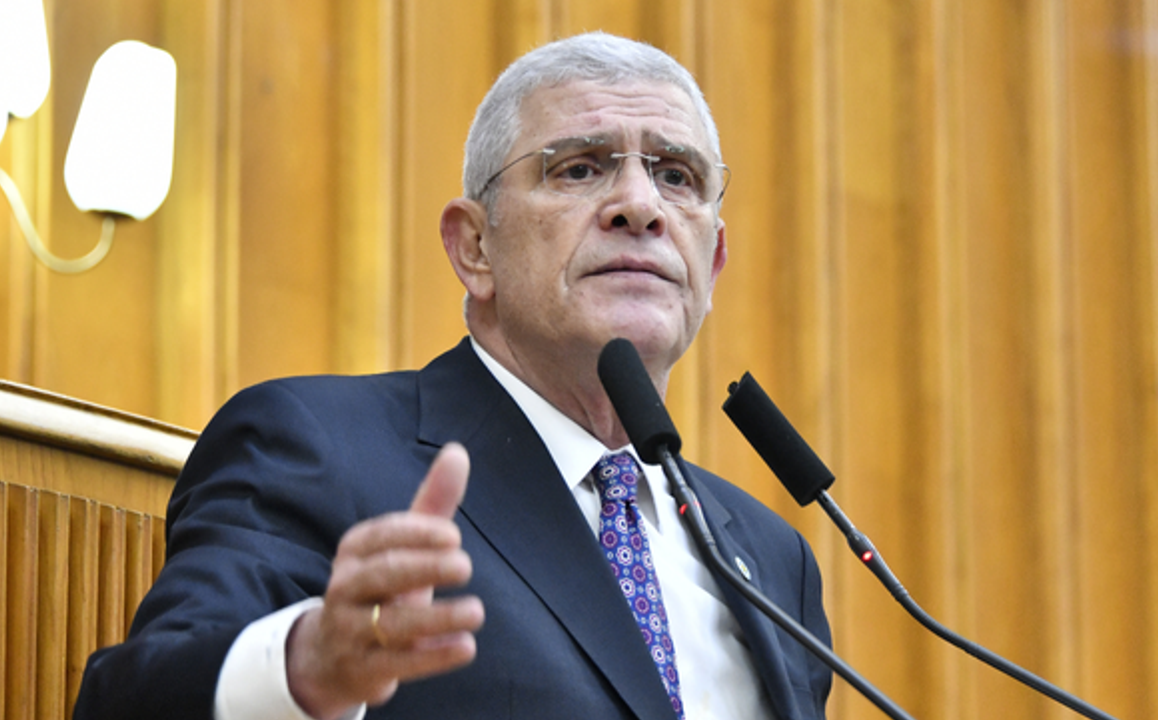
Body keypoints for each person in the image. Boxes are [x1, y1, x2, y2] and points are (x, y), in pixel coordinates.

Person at [73, 31, 832, 720]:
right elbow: (128, 704)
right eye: (579, 168)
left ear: (713, 262)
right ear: (474, 247)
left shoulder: (774, 559)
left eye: (676, 176)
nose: (640, 205)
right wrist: (303, 667)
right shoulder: (316, 447)